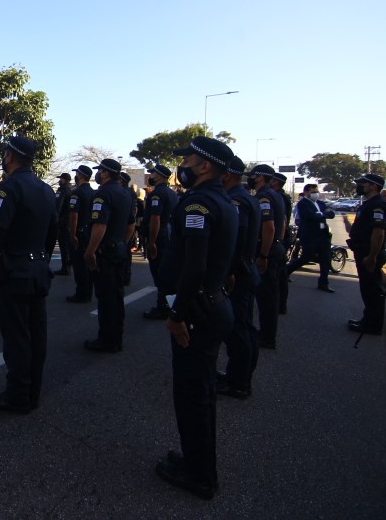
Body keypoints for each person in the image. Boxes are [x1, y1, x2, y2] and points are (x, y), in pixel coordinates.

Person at [155, 136, 237, 500]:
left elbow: (195, 264)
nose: (182, 164)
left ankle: (200, 475)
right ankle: (194, 459)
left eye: (187, 159)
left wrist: (177, 315)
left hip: (197, 313)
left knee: (193, 396)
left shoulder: (200, 204)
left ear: (204, 165)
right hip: (211, 304)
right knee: (197, 392)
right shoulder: (223, 200)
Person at [0, 136, 57, 413]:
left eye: (5, 153)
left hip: (15, 271)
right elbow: (51, 234)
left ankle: (17, 395)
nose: (3, 156)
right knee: (37, 335)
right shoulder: (46, 189)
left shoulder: (9, 186)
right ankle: (32, 392)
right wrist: (42, 260)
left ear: (11, 157)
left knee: (17, 337)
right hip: (38, 268)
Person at [219, 155, 260, 399]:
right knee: (242, 326)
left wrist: (230, 271)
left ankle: (239, 381)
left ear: (227, 173)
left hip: (239, 272)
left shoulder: (236, 199)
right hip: (245, 269)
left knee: (237, 329)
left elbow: (237, 238)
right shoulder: (244, 197)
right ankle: (239, 375)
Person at [83, 158, 134, 353]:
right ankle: (115, 337)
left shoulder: (103, 194)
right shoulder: (125, 193)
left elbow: (100, 225)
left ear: (105, 173)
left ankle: (107, 340)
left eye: (100, 171)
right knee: (116, 296)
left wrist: (90, 251)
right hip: (119, 250)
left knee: (106, 298)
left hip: (106, 253)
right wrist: (122, 242)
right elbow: (130, 225)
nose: (98, 174)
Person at [247, 164, 286, 350]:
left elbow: (268, 226)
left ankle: (267, 336)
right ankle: (267, 333)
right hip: (275, 246)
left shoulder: (264, 196)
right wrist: (279, 241)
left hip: (267, 250)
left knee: (266, 296)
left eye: (253, 176)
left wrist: (263, 254)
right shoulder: (275, 195)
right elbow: (283, 223)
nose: (250, 179)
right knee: (269, 294)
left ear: (260, 178)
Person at [347, 173, 386, 335]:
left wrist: (372, 256)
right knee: (367, 289)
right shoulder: (369, 203)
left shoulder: (377, 205)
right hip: (363, 251)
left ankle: (373, 325)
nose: (360, 187)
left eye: (363, 184)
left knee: (372, 290)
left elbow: (378, 233)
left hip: (369, 253)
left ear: (373, 186)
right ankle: (368, 320)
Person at [143, 164, 179, 320]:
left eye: (153, 173)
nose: (151, 176)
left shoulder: (157, 194)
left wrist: (152, 242)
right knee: (167, 272)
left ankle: (163, 307)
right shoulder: (171, 193)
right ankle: (168, 306)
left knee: (160, 273)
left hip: (160, 236)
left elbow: (155, 219)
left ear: (160, 176)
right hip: (169, 235)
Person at [286, 183, 336, 292]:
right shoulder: (303, 203)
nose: (316, 194)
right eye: (313, 192)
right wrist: (322, 214)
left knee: (325, 259)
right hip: (310, 235)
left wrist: (320, 214)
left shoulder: (321, 203)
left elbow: (331, 214)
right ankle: (285, 271)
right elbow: (309, 216)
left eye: (316, 192)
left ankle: (323, 283)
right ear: (306, 192)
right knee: (306, 257)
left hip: (323, 234)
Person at [66, 164, 95, 303]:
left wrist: (72, 234)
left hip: (80, 231)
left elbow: (73, 215)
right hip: (90, 231)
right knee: (87, 263)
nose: (75, 176)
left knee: (79, 263)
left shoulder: (76, 193)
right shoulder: (93, 192)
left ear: (81, 176)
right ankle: (88, 290)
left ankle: (81, 293)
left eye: (77, 174)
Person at [270, 173, 293, 314]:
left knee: (277, 278)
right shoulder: (280, 196)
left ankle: (279, 305)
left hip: (279, 239)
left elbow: (282, 221)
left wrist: (278, 240)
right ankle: (280, 304)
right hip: (281, 239)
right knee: (280, 275)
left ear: (276, 182)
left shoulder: (278, 197)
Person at [53, 172, 73, 275]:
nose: (59, 181)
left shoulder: (62, 190)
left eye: (60, 179)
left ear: (64, 180)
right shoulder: (72, 190)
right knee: (68, 245)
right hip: (69, 222)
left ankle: (65, 267)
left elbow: (58, 206)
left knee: (63, 245)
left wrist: (55, 220)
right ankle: (68, 265)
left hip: (62, 222)